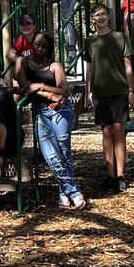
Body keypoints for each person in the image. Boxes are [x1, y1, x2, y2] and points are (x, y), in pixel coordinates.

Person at [15, 32, 85, 210]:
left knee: (64, 153)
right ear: (31, 44)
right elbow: (25, 86)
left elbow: (64, 91)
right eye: (37, 44)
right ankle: (73, 191)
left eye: (44, 46)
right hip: (42, 113)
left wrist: (40, 86)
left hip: (61, 111)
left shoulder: (55, 65)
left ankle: (64, 194)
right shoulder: (22, 62)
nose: (40, 48)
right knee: (51, 157)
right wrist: (49, 95)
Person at [84, 2, 134, 192]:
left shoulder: (119, 37)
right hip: (100, 92)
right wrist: (87, 93)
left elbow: (128, 66)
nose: (101, 17)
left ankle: (121, 175)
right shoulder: (89, 42)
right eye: (97, 15)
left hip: (119, 91)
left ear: (109, 17)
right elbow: (89, 69)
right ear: (92, 19)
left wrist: (131, 91)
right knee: (106, 132)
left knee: (118, 131)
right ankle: (110, 175)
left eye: (103, 14)